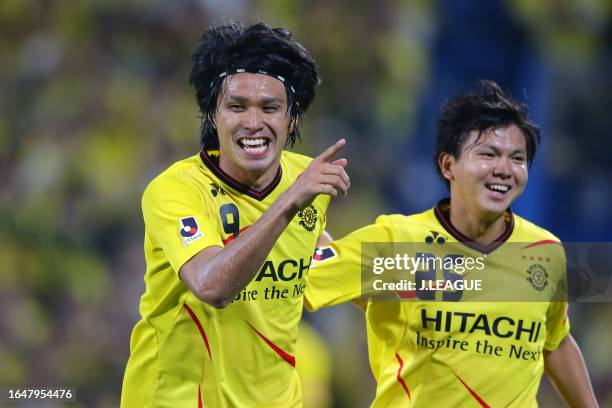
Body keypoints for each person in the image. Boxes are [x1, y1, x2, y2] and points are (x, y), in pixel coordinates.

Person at [305, 80, 598, 407]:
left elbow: (555, 341)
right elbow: (303, 275)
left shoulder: (544, 251)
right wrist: (289, 203)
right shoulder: (400, 243)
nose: (504, 169)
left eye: (517, 158)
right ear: (448, 165)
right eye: (488, 154)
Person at [121, 22, 350, 407]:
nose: (253, 123)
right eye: (237, 106)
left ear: (291, 119)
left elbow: (322, 261)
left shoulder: (304, 180)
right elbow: (212, 287)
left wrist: (469, 270)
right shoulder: (176, 190)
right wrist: (290, 202)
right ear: (213, 115)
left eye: (270, 107)